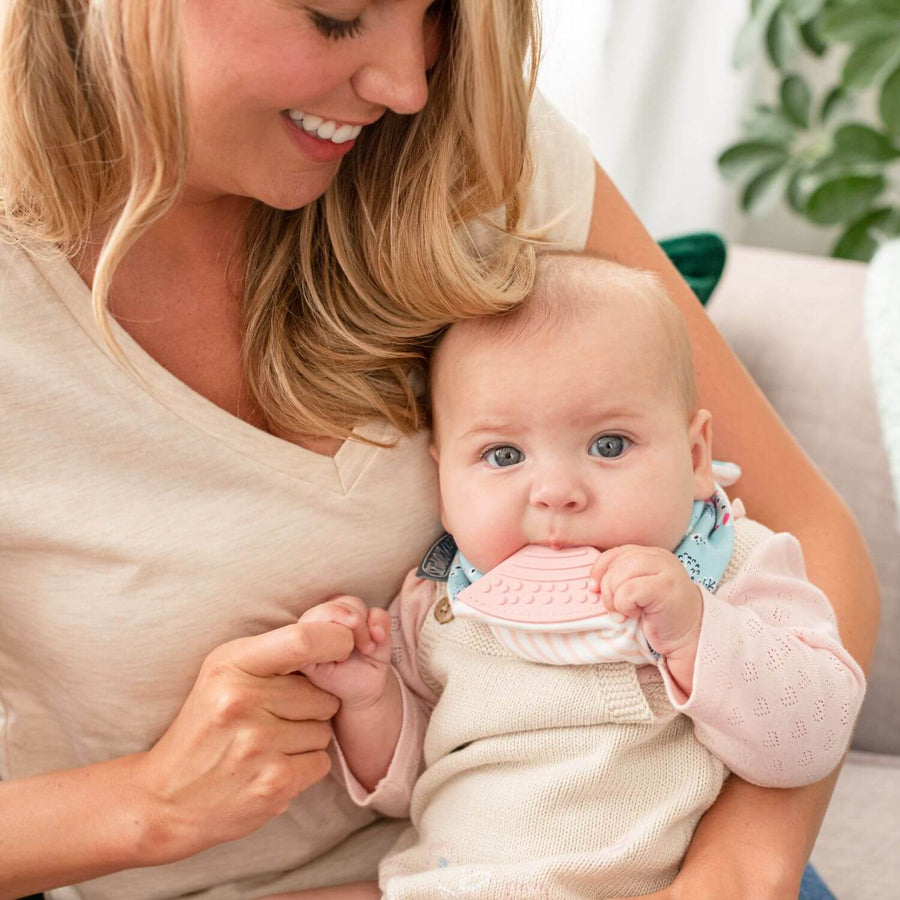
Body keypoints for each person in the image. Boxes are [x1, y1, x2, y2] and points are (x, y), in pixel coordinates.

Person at [0, 1, 877, 899]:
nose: (406, 85)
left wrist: (738, 873)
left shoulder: (475, 141)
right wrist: (146, 805)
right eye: (337, 16)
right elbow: (415, 743)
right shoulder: (435, 624)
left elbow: (809, 538)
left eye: (436, 14)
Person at [288, 254, 866, 899]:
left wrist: (698, 631)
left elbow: (809, 743)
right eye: (503, 455)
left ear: (697, 457)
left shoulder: (730, 563)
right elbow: (401, 791)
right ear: (444, 487)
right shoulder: (442, 601)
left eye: (609, 445)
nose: (557, 492)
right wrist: (370, 700)